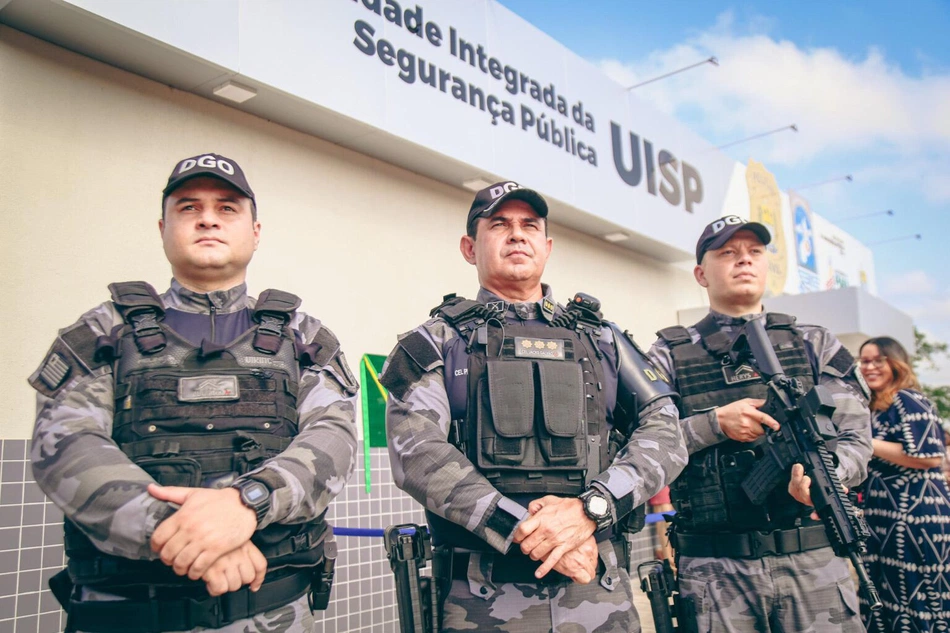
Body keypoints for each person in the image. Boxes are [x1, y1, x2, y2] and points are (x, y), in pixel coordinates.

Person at [28, 153, 359, 633]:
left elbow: (334, 437)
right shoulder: (104, 330)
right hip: (129, 615)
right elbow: (66, 444)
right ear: (163, 227)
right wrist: (177, 530)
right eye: (189, 207)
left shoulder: (302, 337)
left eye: (227, 208)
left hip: (275, 615)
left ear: (255, 231)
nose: (207, 217)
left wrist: (249, 502)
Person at [380, 181, 688, 632]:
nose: (516, 234)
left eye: (529, 225)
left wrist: (591, 509)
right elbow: (417, 454)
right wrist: (525, 530)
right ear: (470, 247)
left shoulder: (602, 339)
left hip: (597, 588)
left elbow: (666, 432)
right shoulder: (437, 341)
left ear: (547, 246)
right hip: (481, 600)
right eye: (499, 224)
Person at [648, 215, 873, 632]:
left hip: (815, 561)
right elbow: (642, 444)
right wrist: (714, 424)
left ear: (767, 266)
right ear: (701, 273)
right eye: (728, 253)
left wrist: (829, 475)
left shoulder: (813, 342)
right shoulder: (667, 354)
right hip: (716, 568)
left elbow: (857, 435)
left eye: (754, 252)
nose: (743, 261)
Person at [858, 336, 950, 631]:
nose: (869, 367)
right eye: (864, 361)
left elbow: (929, 456)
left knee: (919, 598)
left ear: (895, 363)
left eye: (877, 360)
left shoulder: (908, 399)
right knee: (888, 600)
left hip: (915, 517)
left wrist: (864, 442)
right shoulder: (873, 407)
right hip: (883, 519)